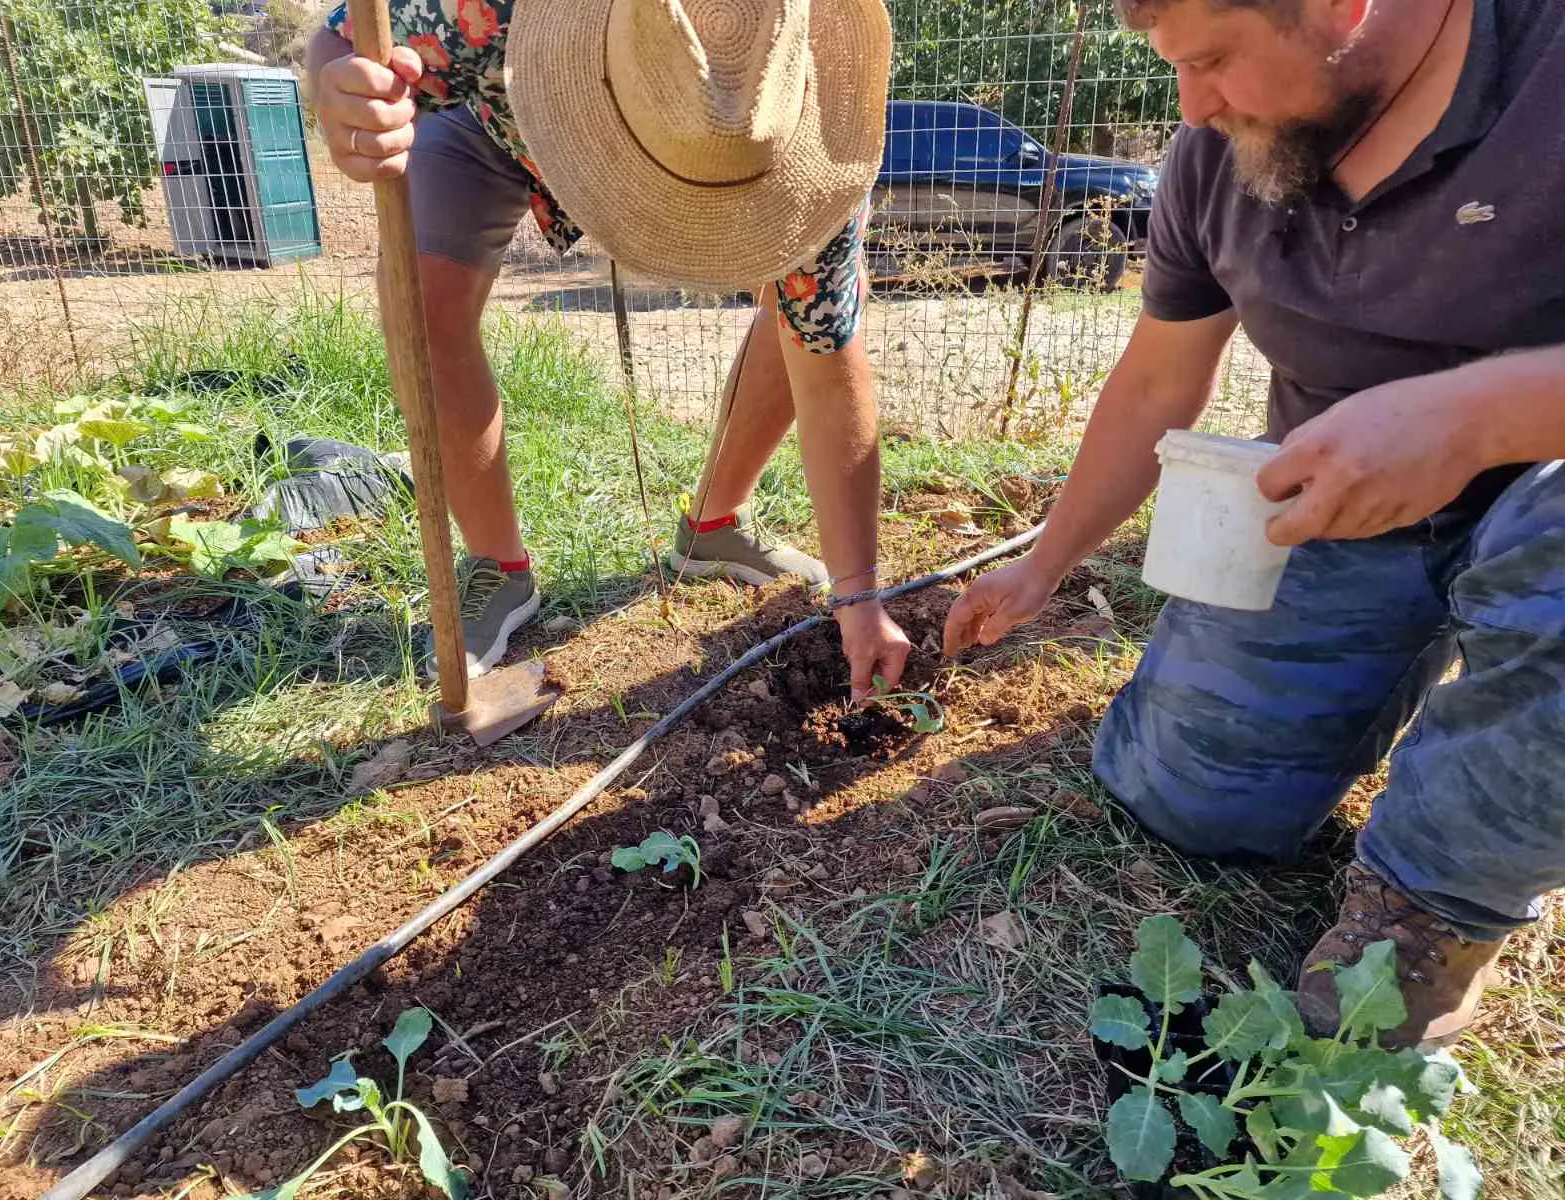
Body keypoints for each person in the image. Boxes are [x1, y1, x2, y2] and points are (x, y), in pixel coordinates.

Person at [946, 0, 1563, 1048]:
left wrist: (1472, 420)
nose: (1191, 104)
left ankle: (1436, 905)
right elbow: (1154, 383)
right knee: (1186, 803)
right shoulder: (1213, 153)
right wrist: (1041, 569)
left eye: (1215, 60)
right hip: (1338, 509)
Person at [306, 0, 910, 699]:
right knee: (420, 291)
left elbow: (829, 360)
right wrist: (343, 102)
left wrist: (859, 597)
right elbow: (337, 38)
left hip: (728, 139)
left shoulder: (813, 118)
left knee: (809, 305)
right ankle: (497, 570)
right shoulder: (484, 11)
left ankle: (714, 525)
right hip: (496, 121)